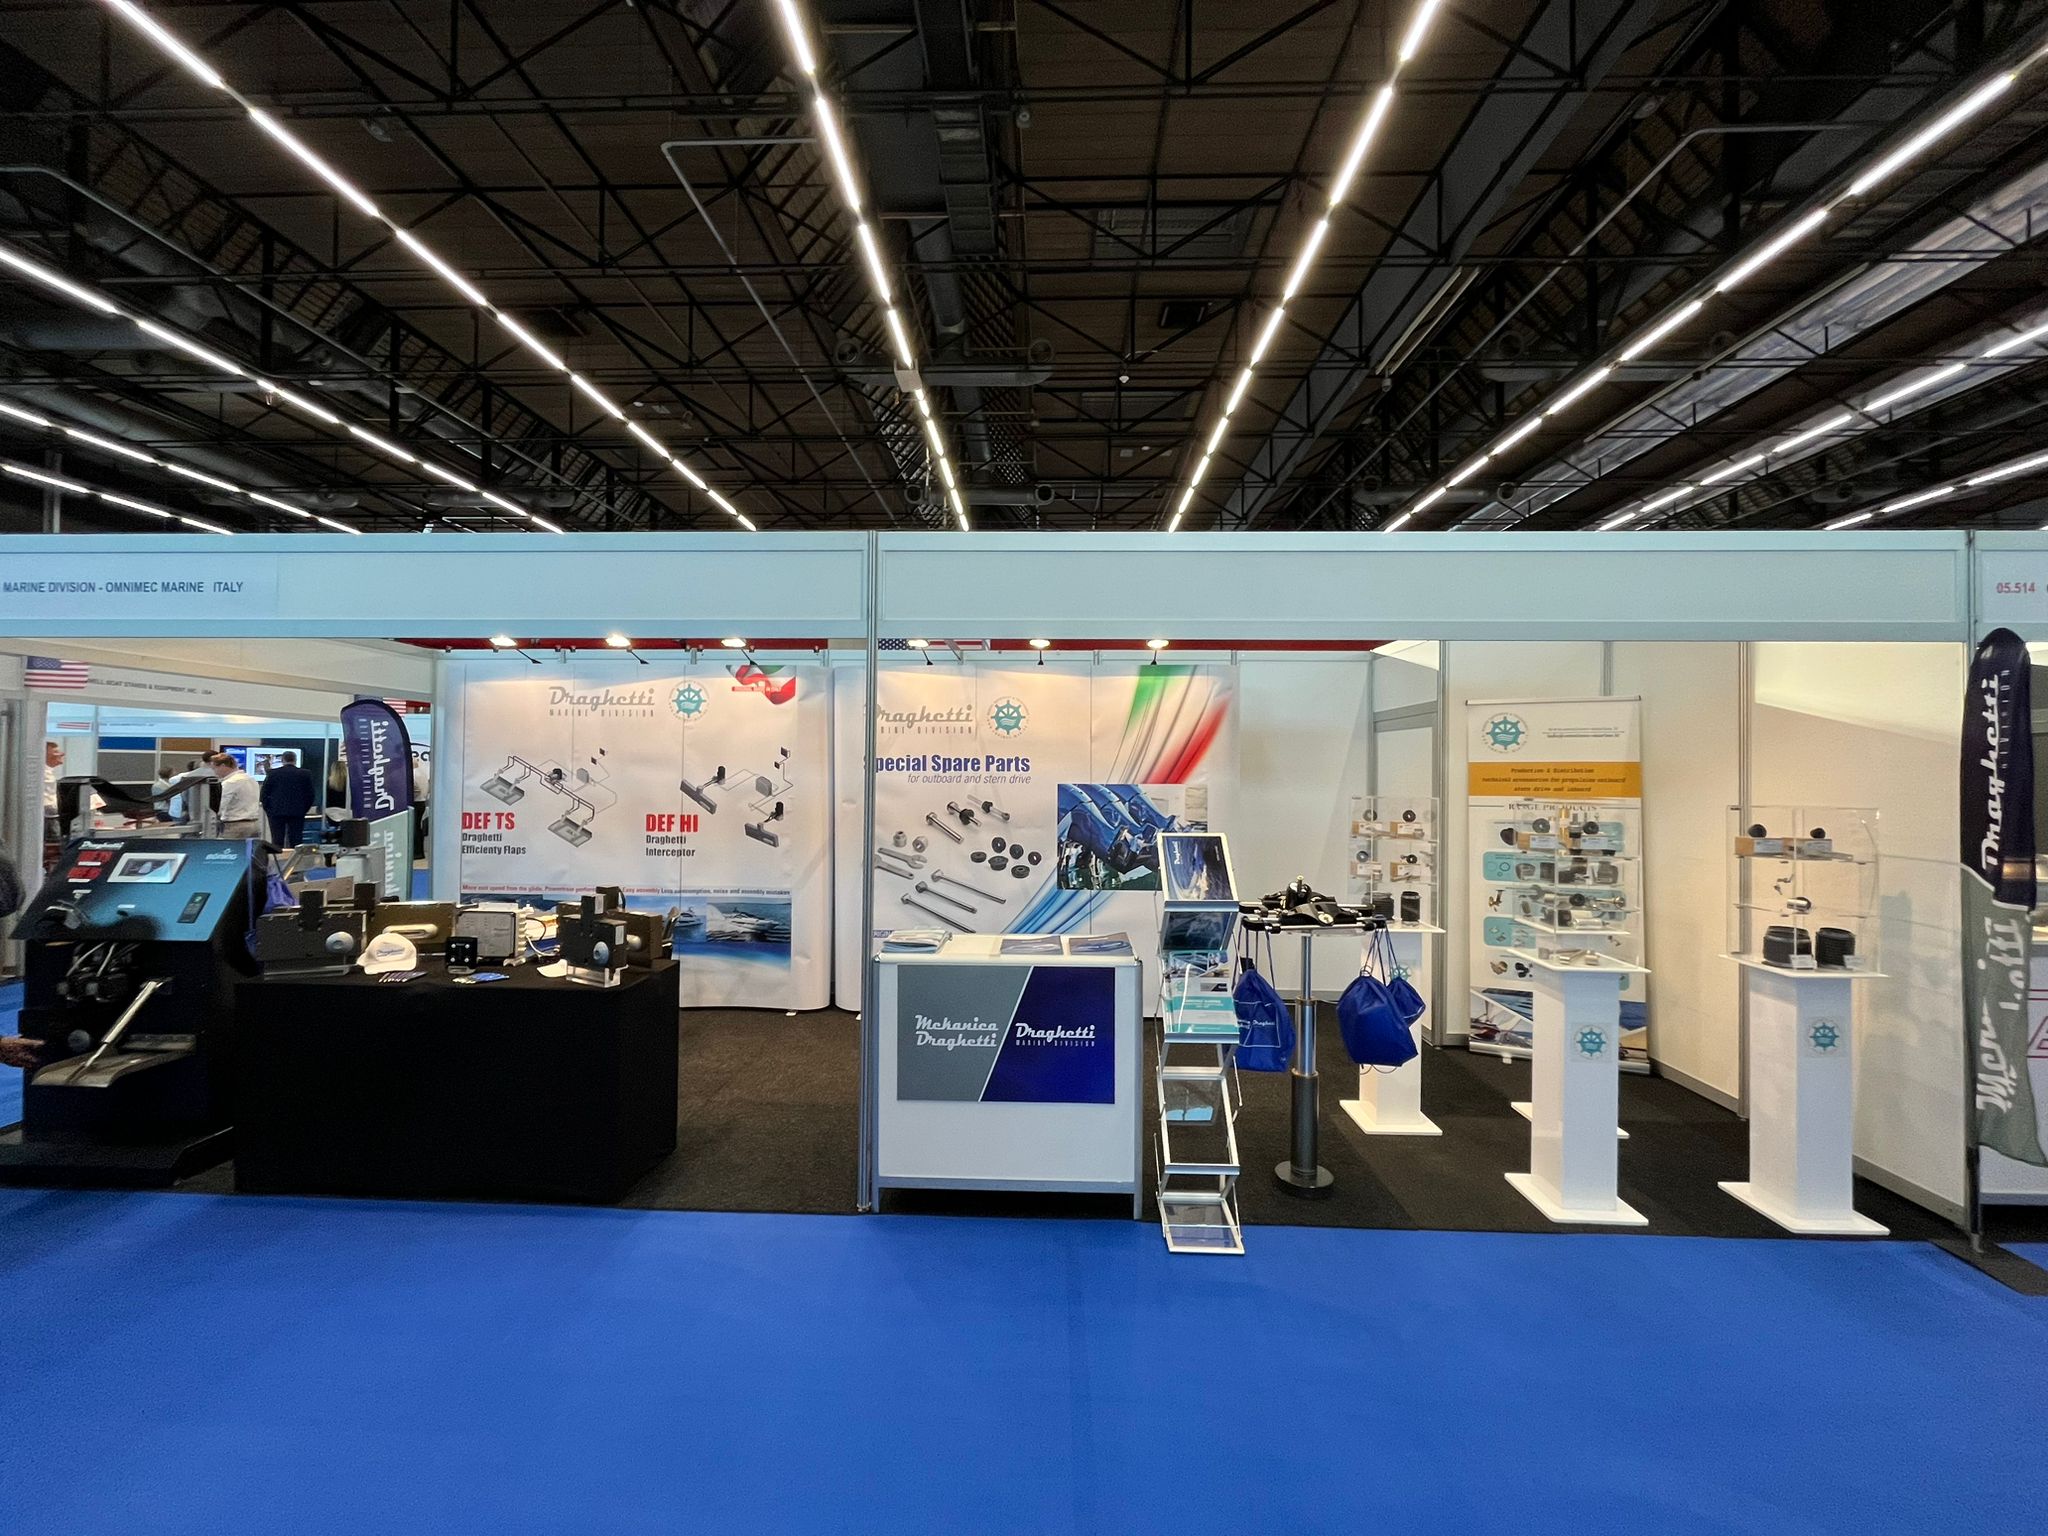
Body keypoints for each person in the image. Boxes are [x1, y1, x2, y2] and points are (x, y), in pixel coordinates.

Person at [260, 750, 316, 849]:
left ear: (282, 760)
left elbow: (264, 794)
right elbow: (310, 795)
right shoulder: (305, 774)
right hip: (297, 812)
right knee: (296, 841)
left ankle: (278, 858)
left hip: (276, 812)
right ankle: (296, 858)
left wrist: (269, 810)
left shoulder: (273, 773)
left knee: (277, 840)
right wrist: (304, 809)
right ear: (295, 760)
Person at [210, 752, 261, 840]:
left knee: (227, 848)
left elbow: (220, 805)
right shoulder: (251, 779)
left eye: (214, 768)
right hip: (254, 824)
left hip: (235, 826)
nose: (214, 772)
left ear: (223, 766)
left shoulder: (230, 782)